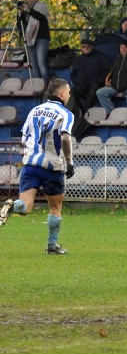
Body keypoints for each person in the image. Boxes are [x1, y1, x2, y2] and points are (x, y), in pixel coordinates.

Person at [0, 78, 75, 254]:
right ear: (62, 93)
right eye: (69, 91)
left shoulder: (34, 110)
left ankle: (12, 206)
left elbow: (25, 137)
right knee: (55, 207)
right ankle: (52, 246)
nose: (69, 94)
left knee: (25, 206)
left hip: (30, 164)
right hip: (52, 166)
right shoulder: (65, 113)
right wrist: (69, 162)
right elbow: (65, 137)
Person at [96, 39, 127, 113]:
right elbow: (111, 73)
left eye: (125, 47)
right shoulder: (117, 60)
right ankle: (112, 112)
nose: (123, 49)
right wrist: (109, 81)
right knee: (100, 92)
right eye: (121, 47)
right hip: (115, 87)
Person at [16, 0, 51, 80]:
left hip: (42, 37)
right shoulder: (26, 9)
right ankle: (37, 85)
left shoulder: (41, 6)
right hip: (30, 38)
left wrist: (28, 10)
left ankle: (47, 86)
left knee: (41, 62)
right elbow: (22, 24)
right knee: (33, 63)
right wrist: (21, 12)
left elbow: (41, 18)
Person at [70, 38, 112, 112]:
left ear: (92, 47)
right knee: (71, 93)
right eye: (83, 46)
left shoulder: (101, 56)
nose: (86, 48)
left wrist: (99, 81)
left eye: (88, 46)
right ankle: (79, 110)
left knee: (93, 92)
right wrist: (76, 81)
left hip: (95, 84)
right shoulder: (78, 59)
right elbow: (73, 73)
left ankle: (85, 113)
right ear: (81, 48)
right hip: (81, 85)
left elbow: (107, 70)